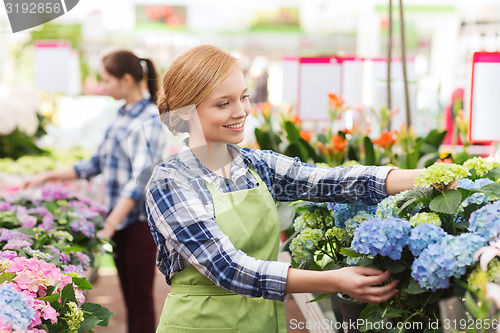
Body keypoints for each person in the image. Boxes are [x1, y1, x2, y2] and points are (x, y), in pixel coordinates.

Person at [145, 45, 450, 333]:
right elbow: (227, 268)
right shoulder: (171, 182)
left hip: (262, 320)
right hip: (201, 324)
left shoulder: (254, 165)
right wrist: (333, 280)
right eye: (223, 104)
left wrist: (428, 176)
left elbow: (332, 181)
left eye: (244, 97)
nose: (241, 112)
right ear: (185, 111)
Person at [21, 50, 166, 333]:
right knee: (130, 297)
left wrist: (110, 224)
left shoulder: (148, 119)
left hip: (135, 223)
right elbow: (95, 163)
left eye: (107, 80)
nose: (103, 86)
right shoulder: (121, 113)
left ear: (126, 80)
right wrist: (47, 175)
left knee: (140, 300)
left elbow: (140, 179)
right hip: (119, 221)